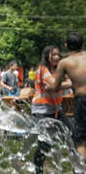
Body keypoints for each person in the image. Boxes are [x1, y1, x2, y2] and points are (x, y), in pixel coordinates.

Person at [31, 45, 73, 174]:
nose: (56, 57)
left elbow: (65, 80)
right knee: (45, 143)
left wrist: (63, 82)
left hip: (56, 109)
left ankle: (77, 167)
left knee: (72, 135)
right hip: (42, 110)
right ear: (46, 56)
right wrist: (69, 82)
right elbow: (54, 86)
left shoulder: (57, 69)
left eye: (57, 54)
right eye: (53, 54)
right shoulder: (42, 69)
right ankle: (38, 170)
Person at [49, 32, 86, 161]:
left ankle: (81, 169)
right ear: (82, 45)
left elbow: (56, 87)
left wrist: (49, 87)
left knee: (80, 140)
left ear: (66, 45)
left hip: (82, 100)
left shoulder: (64, 62)